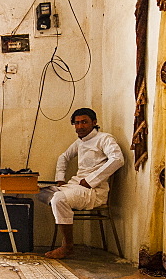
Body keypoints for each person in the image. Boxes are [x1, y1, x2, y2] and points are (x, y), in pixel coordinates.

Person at [37, 108, 124, 259]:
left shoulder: (105, 139)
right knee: (41, 192)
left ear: (94, 123)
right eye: (76, 123)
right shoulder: (80, 142)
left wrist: (91, 180)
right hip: (76, 186)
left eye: (84, 122)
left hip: (93, 191)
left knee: (58, 199)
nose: (80, 126)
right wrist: (60, 178)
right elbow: (63, 157)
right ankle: (63, 207)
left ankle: (67, 246)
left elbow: (117, 159)